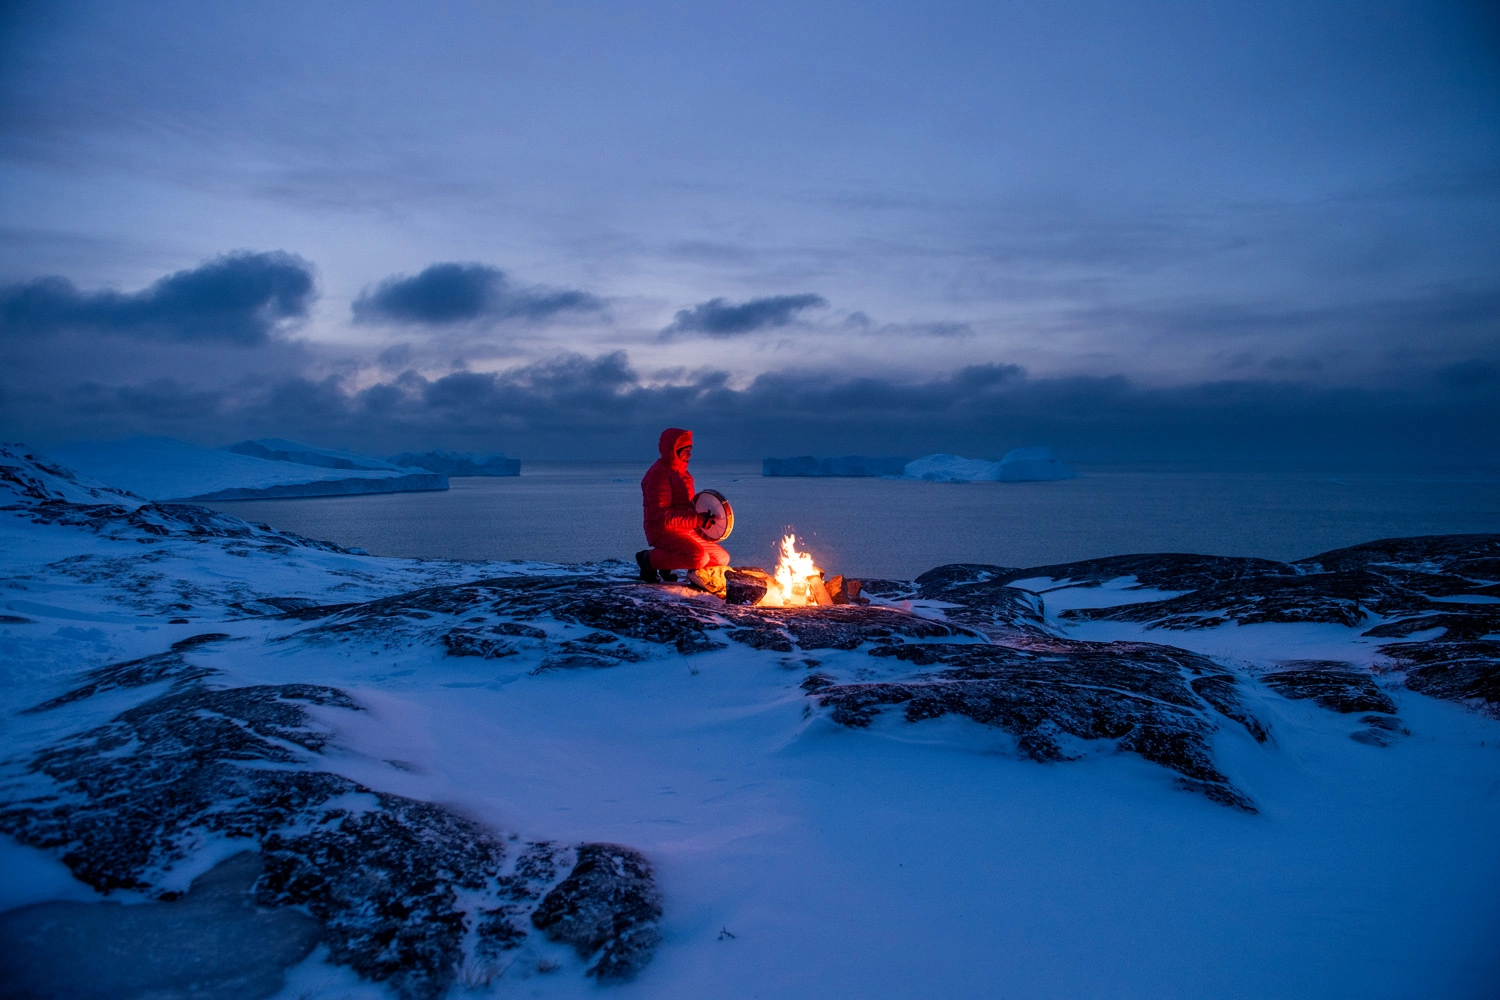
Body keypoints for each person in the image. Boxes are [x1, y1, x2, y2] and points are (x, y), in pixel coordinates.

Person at [637, 427, 729, 593]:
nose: (690, 454)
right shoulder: (658, 474)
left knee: (722, 558)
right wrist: (698, 519)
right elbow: (662, 515)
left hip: (686, 529)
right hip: (663, 530)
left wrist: (705, 518)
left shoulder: (684, 474)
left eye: (690, 450)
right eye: (685, 450)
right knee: (699, 557)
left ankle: (688, 572)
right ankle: (648, 559)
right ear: (673, 450)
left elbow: (688, 506)